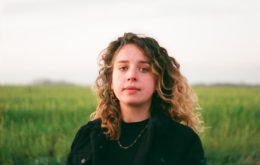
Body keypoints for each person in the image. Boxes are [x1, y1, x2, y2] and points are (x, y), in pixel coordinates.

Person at [66, 32, 207, 165]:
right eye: (123, 68)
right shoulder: (87, 136)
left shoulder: (182, 141)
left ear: (159, 79)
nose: (131, 76)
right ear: (110, 79)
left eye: (144, 69)